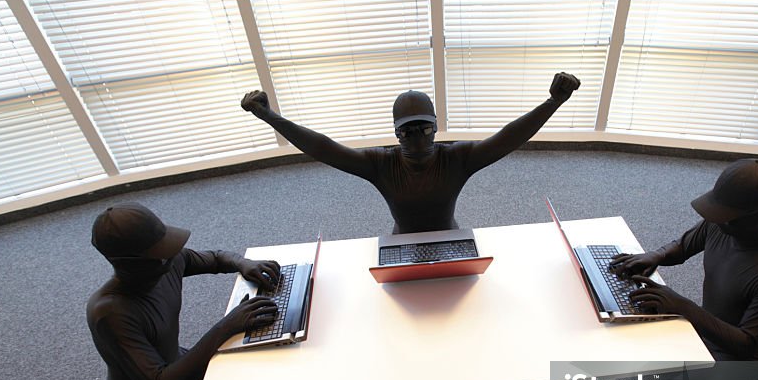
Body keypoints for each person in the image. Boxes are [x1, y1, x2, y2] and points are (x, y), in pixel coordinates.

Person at [241, 73, 581, 234]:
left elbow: (507, 137)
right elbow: (323, 147)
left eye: (424, 129)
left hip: (451, 235)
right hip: (400, 242)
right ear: (395, 133)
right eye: (407, 131)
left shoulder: (457, 158)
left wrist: (554, 102)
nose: (417, 138)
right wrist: (269, 116)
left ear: (436, 127)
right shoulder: (379, 164)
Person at [87, 202, 281, 380]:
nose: (171, 255)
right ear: (131, 262)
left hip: (172, 361)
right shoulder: (109, 313)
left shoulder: (165, 262)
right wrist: (227, 325)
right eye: (159, 253)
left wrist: (243, 263)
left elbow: (216, 258)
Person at [610, 159, 758, 362]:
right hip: (709, 325)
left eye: (726, 215)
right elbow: (684, 246)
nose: (717, 219)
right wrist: (656, 255)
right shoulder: (722, 224)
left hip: (743, 352)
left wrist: (682, 306)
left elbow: (747, 344)